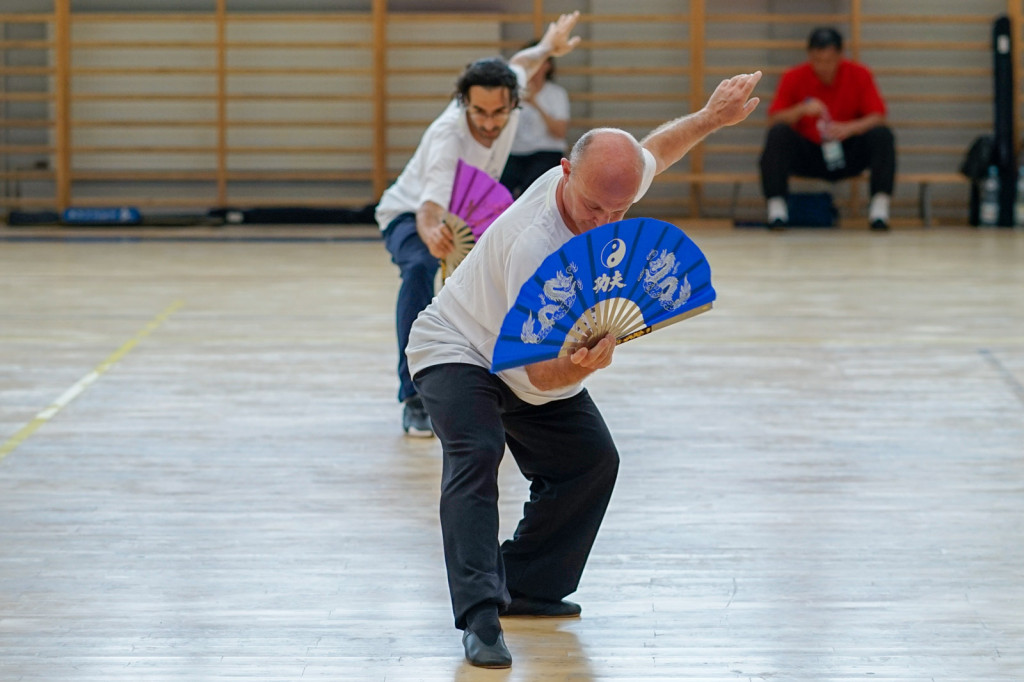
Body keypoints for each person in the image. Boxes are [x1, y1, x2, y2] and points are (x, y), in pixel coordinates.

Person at [406, 71, 762, 668]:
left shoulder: (608, 184)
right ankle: (480, 616)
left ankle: (525, 584)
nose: (603, 221)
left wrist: (709, 117)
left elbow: (657, 153)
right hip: (458, 345)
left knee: (591, 462)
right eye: (594, 206)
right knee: (477, 452)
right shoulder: (532, 246)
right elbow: (534, 378)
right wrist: (580, 368)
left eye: (618, 211)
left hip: (524, 352)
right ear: (565, 174)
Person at [375, 12, 582, 438]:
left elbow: (520, 64)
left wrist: (547, 45)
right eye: (479, 112)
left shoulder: (511, 88)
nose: (489, 123)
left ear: (514, 103)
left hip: (469, 215)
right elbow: (429, 206)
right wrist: (432, 232)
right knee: (419, 269)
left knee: (504, 271)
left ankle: (503, 379)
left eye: (499, 113)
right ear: (463, 102)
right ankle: (413, 398)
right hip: (409, 212)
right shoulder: (448, 135)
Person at [760, 27, 896, 231]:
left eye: (829, 61)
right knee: (778, 134)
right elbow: (773, 119)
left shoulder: (860, 74)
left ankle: (879, 210)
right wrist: (800, 110)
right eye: (817, 60)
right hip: (810, 153)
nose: (823, 66)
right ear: (809, 56)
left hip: (847, 151)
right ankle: (777, 209)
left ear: (840, 56)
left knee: (882, 135)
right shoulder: (793, 76)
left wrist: (851, 127)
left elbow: (879, 116)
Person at [499, 44, 570, 198]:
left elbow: (559, 132)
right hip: (516, 152)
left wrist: (535, 103)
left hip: (546, 151)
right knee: (500, 190)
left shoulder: (556, 94)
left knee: (532, 191)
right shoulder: (511, 93)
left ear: (548, 65)